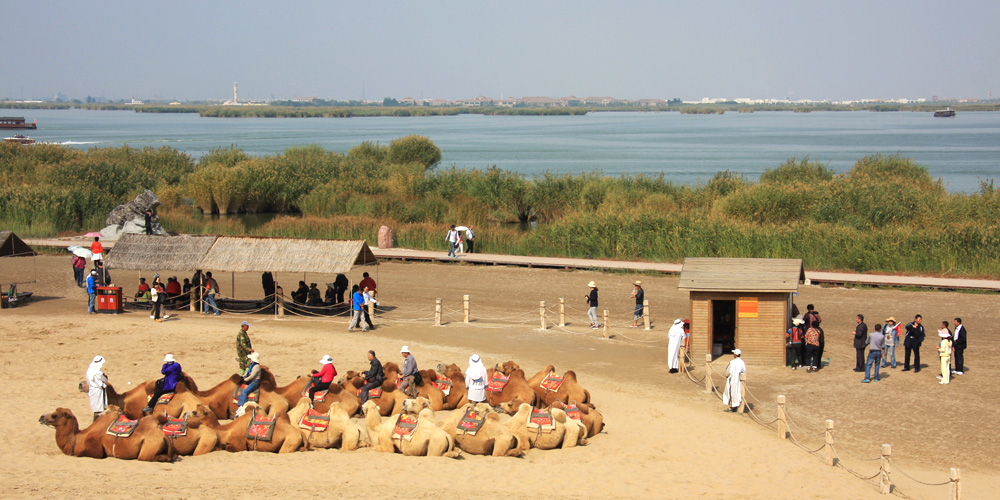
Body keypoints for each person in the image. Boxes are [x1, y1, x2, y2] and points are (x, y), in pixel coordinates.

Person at [235, 352, 262, 416]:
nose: (250, 360)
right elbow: (247, 373)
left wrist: (245, 380)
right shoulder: (252, 365)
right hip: (251, 380)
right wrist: (242, 376)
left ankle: (242, 406)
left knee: (244, 392)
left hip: (254, 382)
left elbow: (252, 376)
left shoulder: (256, 367)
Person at [86, 355, 108, 422]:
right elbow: (105, 379)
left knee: (96, 409)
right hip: (99, 391)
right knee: (100, 409)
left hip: (92, 390)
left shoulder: (89, 370)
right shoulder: (98, 372)